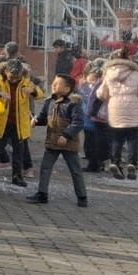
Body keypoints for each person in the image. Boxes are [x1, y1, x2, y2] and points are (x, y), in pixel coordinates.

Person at [27, 75, 88, 207]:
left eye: (57, 84)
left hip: (68, 144)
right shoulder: (49, 101)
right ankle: (42, 194)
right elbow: (43, 117)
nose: (53, 85)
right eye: (53, 83)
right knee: (45, 168)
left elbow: (78, 123)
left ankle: (82, 197)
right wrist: (36, 121)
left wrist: (66, 136)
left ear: (67, 89)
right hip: (52, 142)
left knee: (75, 170)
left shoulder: (73, 103)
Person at [0, 44, 40, 188]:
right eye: (11, 77)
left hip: (19, 123)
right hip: (1, 121)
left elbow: (40, 93)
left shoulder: (26, 81)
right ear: (5, 72)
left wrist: (32, 91)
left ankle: (17, 176)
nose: (14, 80)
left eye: (17, 77)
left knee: (18, 152)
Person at [96, 51, 138, 180]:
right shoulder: (136, 73)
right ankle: (132, 163)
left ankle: (115, 162)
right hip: (133, 106)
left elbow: (100, 93)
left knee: (117, 138)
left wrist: (109, 98)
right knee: (133, 138)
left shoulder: (109, 74)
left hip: (115, 108)